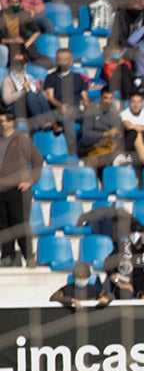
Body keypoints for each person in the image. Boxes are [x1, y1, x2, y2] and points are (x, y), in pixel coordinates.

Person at [0, 110, 40, 267]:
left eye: (3, 120)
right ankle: (7, 255)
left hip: (18, 189)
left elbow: (38, 160)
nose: (1, 124)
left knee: (20, 223)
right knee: (3, 224)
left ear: (11, 122)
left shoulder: (22, 140)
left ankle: (28, 255)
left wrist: (30, 180)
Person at [43, 48, 90, 153]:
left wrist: (86, 103)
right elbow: (50, 97)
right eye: (61, 59)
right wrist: (60, 105)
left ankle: (85, 146)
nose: (63, 62)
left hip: (77, 109)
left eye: (66, 59)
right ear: (57, 60)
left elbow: (85, 97)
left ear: (71, 60)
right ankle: (73, 151)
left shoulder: (78, 78)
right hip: (60, 110)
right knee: (67, 120)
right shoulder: (51, 77)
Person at [108, 225, 144, 299]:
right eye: (133, 232)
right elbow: (108, 267)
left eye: (139, 232)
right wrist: (120, 283)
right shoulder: (120, 248)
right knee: (124, 293)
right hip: (126, 283)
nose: (135, 235)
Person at [1, 51, 52, 131]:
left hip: (30, 108)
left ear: (25, 63)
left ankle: (51, 121)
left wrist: (40, 90)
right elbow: (7, 100)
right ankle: (40, 122)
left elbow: (44, 98)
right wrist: (22, 91)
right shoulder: (8, 80)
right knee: (30, 95)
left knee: (39, 95)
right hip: (16, 108)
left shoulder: (30, 78)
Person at [78, 86, 125, 172]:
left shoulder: (114, 113)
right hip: (92, 146)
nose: (108, 101)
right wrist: (105, 134)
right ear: (100, 98)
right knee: (94, 159)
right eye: (105, 98)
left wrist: (117, 133)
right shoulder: (91, 111)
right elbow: (86, 135)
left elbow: (118, 133)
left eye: (110, 98)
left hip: (108, 148)